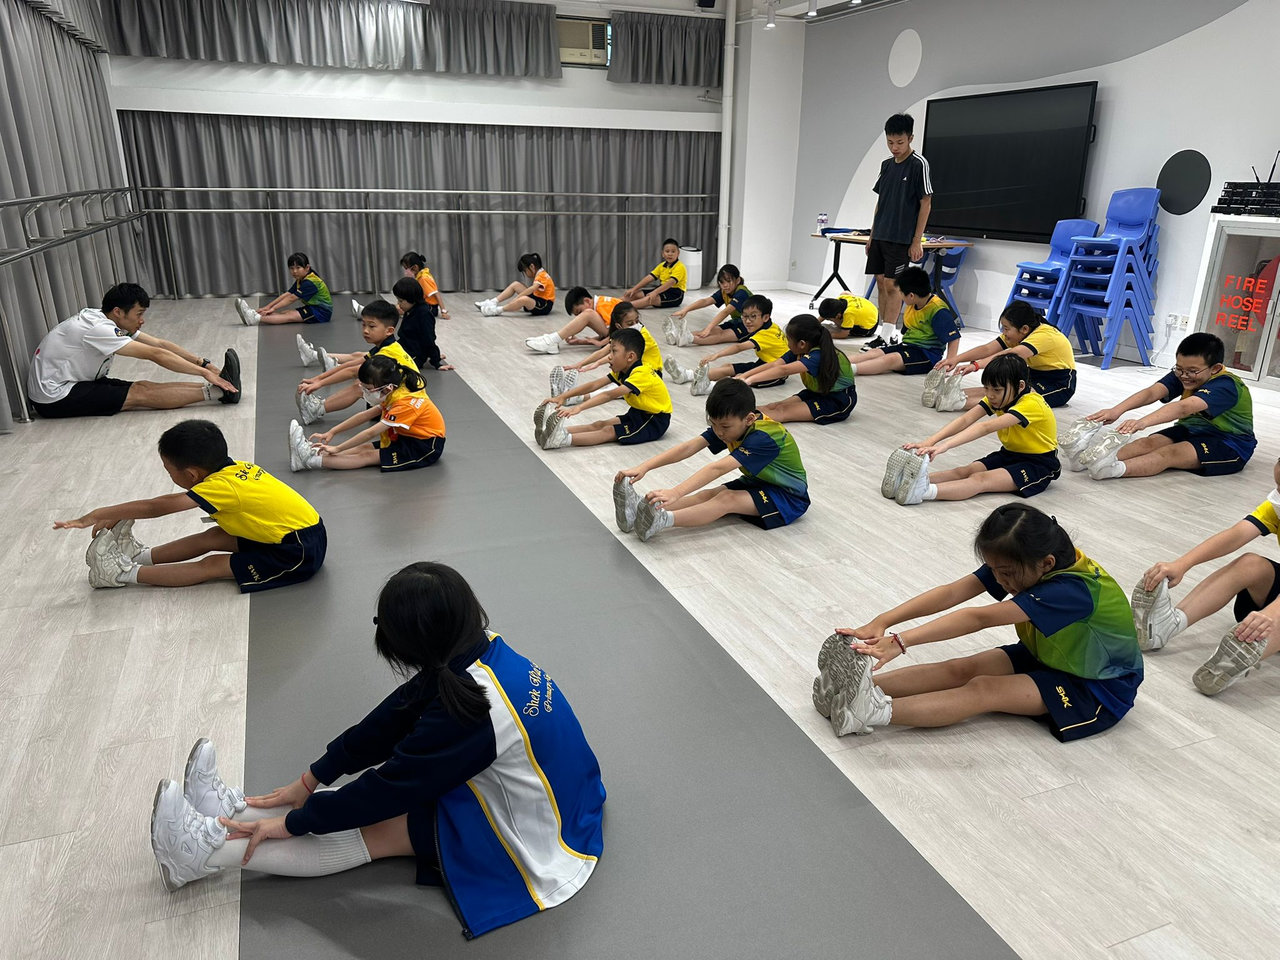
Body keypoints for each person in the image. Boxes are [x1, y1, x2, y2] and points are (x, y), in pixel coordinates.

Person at [146, 561, 605, 939]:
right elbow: (395, 715)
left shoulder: (470, 714)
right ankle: (230, 813)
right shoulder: (472, 651)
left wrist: (292, 823)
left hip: (546, 837)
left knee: (383, 826)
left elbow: (384, 791)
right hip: (563, 794)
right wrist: (312, 778)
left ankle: (201, 853)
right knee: (367, 807)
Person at [813, 503, 1142, 740]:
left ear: (1047, 563)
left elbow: (979, 617)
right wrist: (883, 620)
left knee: (984, 689)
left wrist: (902, 641)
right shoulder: (1025, 559)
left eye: (1005, 573)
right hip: (1051, 652)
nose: (999, 580)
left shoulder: (1071, 591)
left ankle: (868, 713)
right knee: (960, 668)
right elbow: (953, 592)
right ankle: (855, 689)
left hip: (1096, 687)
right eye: (994, 570)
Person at [55, 419, 325, 592]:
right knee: (213, 536)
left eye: (168, 470)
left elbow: (157, 507)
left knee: (212, 565)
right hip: (302, 532)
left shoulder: (221, 487)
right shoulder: (235, 468)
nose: (168, 474)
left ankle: (120, 573)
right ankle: (138, 556)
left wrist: (99, 514)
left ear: (192, 474)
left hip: (299, 552)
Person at [1130, 457, 1280, 695]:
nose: (1278, 493)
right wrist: (1182, 564)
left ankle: (1241, 658)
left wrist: (1272, 613)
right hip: (1271, 606)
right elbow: (1237, 534)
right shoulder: (1277, 504)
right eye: (1278, 486)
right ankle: (1167, 625)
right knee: (1250, 563)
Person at [612, 379, 808, 541]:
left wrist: (676, 492)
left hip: (788, 497)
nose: (718, 432)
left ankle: (663, 520)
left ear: (749, 419)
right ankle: (638, 510)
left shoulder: (765, 438)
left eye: (724, 427)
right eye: (713, 424)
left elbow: (718, 468)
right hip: (758, 481)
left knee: (726, 499)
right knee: (707, 495)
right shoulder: (730, 425)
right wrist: (644, 467)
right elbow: (689, 447)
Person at [27, 283, 240, 418]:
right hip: (55, 397)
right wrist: (205, 373)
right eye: (138, 314)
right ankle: (221, 391)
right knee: (140, 394)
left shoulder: (105, 318)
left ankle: (220, 388)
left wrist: (205, 364)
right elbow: (155, 354)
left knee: (142, 386)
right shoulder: (98, 329)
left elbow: (159, 344)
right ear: (118, 312)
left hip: (74, 383)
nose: (142, 320)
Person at [1064, 332, 1255, 481]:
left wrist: (1141, 422)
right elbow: (1152, 392)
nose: (1184, 375)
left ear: (1215, 368)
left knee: (1168, 454)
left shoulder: (1227, 385)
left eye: (1192, 371)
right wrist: (1116, 411)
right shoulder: (1185, 373)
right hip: (1190, 429)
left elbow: (1184, 408)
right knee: (1147, 443)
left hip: (1229, 443)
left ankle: (1110, 470)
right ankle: (1085, 461)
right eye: (1179, 368)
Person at [883, 355, 1059, 506]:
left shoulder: (1031, 404)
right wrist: (929, 442)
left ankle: (923, 492)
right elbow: (966, 419)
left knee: (980, 480)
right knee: (964, 471)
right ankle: (907, 481)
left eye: (996, 389)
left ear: (1020, 386)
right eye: (986, 388)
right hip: (1009, 454)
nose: (990, 395)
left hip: (1038, 464)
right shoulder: (1001, 397)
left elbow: (985, 427)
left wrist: (943, 447)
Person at [290, 355, 445, 472]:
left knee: (367, 456)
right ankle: (315, 452)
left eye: (368, 388)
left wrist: (338, 448)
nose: (363, 391)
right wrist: (332, 432)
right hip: (408, 436)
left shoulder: (404, 404)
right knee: (364, 448)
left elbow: (370, 432)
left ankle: (308, 460)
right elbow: (365, 415)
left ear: (387, 388)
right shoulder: (394, 391)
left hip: (425, 446)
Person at [924, 300, 1077, 411]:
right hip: (1034, 374)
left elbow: (1010, 355)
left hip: (1058, 383)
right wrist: (955, 359)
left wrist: (976, 365)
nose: (1004, 333)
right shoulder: (1018, 333)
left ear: (1024, 329)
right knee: (998, 389)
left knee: (1014, 397)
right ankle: (946, 394)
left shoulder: (1045, 335)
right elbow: (987, 349)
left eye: (1006, 328)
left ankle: (958, 403)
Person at [533, 327, 671, 451]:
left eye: (614, 351)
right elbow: (594, 385)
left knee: (608, 431)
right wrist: (563, 396)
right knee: (598, 424)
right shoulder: (623, 370)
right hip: (638, 412)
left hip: (654, 420)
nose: (609, 356)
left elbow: (609, 395)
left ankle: (561, 440)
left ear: (630, 356)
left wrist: (578, 408)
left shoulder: (642, 374)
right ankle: (551, 433)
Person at [865, 113, 932, 343]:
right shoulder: (886, 165)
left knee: (893, 285)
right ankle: (883, 333)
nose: (895, 148)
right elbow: (880, 202)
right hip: (881, 234)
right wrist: (872, 235)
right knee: (881, 282)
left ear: (910, 138)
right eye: (890, 142)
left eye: (900, 142)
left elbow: (926, 202)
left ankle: (888, 335)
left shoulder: (918, 164)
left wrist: (917, 240)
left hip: (901, 237)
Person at [295, 300, 420, 425]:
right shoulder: (386, 346)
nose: (365, 330)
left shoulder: (387, 353)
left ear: (389, 331)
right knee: (364, 380)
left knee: (360, 386)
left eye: (371, 326)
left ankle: (315, 410)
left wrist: (319, 383)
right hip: (400, 396)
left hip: (406, 406)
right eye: (363, 325)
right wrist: (317, 379)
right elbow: (352, 364)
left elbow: (353, 372)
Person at [663, 295, 788, 396]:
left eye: (753, 316)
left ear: (766, 317)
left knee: (740, 379)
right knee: (728, 367)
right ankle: (686, 375)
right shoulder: (769, 326)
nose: (747, 321)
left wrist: (716, 355)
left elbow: (739, 347)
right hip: (764, 363)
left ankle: (709, 387)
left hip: (776, 372)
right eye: (745, 316)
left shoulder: (766, 334)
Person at [743, 314, 857, 426]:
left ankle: (741, 423)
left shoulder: (817, 356)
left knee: (782, 411)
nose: (787, 344)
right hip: (818, 392)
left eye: (788, 340)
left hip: (837, 400)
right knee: (774, 406)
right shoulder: (801, 350)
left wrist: (749, 380)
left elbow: (784, 370)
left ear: (802, 343)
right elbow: (775, 364)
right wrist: (744, 376)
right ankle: (738, 415)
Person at [846, 266, 958, 375]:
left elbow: (954, 338)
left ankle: (847, 371)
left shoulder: (938, 310)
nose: (899, 295)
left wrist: (948, 363)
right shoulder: (913, 303)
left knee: (891, 359)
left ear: (911, 295)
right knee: (874, 352)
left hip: (927, 355)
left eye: (900, 292)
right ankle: (839, 362)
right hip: (908, 346)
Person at [547, 301, 661, 401]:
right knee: (603, 382)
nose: (636, 325)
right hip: (629, 369)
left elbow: (617, 355)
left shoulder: (642, 335)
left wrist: (597, 363)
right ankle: (566, 394)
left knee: (613, 389)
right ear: (619, 326)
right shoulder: (622, 336)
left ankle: (573, 398)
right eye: (630, 323)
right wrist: (579, 364)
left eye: (637, 320)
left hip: (650, 373)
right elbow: (603, 351)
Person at [664, 264, 752, 347]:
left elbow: (726, 312)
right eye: (722, 282)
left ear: (738, 280)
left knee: (721, 335)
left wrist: (708, 328)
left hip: (751, 326)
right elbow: (705, 301)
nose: (725, 285)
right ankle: (676, 336)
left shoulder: (741, 293)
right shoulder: (724, 291)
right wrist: (685, 310)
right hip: (737, 321)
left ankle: (689, 339)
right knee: (710, 331)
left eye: (729, 281)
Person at [237, 253, 333, 326]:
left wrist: (273, 308)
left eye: (298, 268)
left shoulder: (310, 282)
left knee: (288, 316)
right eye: (291, 268)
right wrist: (267, 307)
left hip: (321, 313)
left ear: (307, 267)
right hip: (312, 307)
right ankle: (253, 315)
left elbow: (291, 298)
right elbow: (288, 293)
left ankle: (255, 318)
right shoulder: (302, 278)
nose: (294, 271)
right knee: (285, 312)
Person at [523, 287, 624, 354]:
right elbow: (608, 334)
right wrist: (580, 342)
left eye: (579, 312)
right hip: (622, 338)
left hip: (625, 340)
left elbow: (616, 333)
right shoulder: (600, 304)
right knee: (588, 314)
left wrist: (601, 343)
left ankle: (552, 340)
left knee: (588, 314)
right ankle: (553, 340)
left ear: (587, 301)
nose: (580, 317)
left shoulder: (603, 305)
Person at [391, 277, 452, 372]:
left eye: (401, 301)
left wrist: (436, 361)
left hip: (413, 355)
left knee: (385, 365)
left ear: (412, 299)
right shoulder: (410, 310)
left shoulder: (424, 314)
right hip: (405, 347)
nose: (398, 304)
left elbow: (429, 339)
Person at [475, 253, 555, 317]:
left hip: (544, 305)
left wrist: (517, 298)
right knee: (516, 285)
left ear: (532, 266)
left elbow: (532, 289)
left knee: (523, 299)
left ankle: (496, 310)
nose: (525, 274)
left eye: (525, 271)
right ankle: (493, 302)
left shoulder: (542, 276)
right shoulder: (540, 274)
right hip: (537, 298)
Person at [623, 238, 687, 309]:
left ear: (678, 253)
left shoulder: (680, 266)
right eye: (667, 251)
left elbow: (670, 283)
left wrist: (655, 292)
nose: (670, 254)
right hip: (661, 289)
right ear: (663, 254)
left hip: (675, 294)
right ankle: (614, 302)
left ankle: (620, 308)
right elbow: (649, 277)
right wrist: (634, 289)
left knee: (649, 299)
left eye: (673, 251)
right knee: (635, 294)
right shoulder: (661, 265)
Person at [400, 250, 450, 319]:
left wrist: (443, 311)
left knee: (403, 308)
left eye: (406, 268)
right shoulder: (420, 276)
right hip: (425, 305)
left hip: (430, 308)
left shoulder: (424, 278)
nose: (406, 271)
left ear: (415, 267)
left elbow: (436, 294)